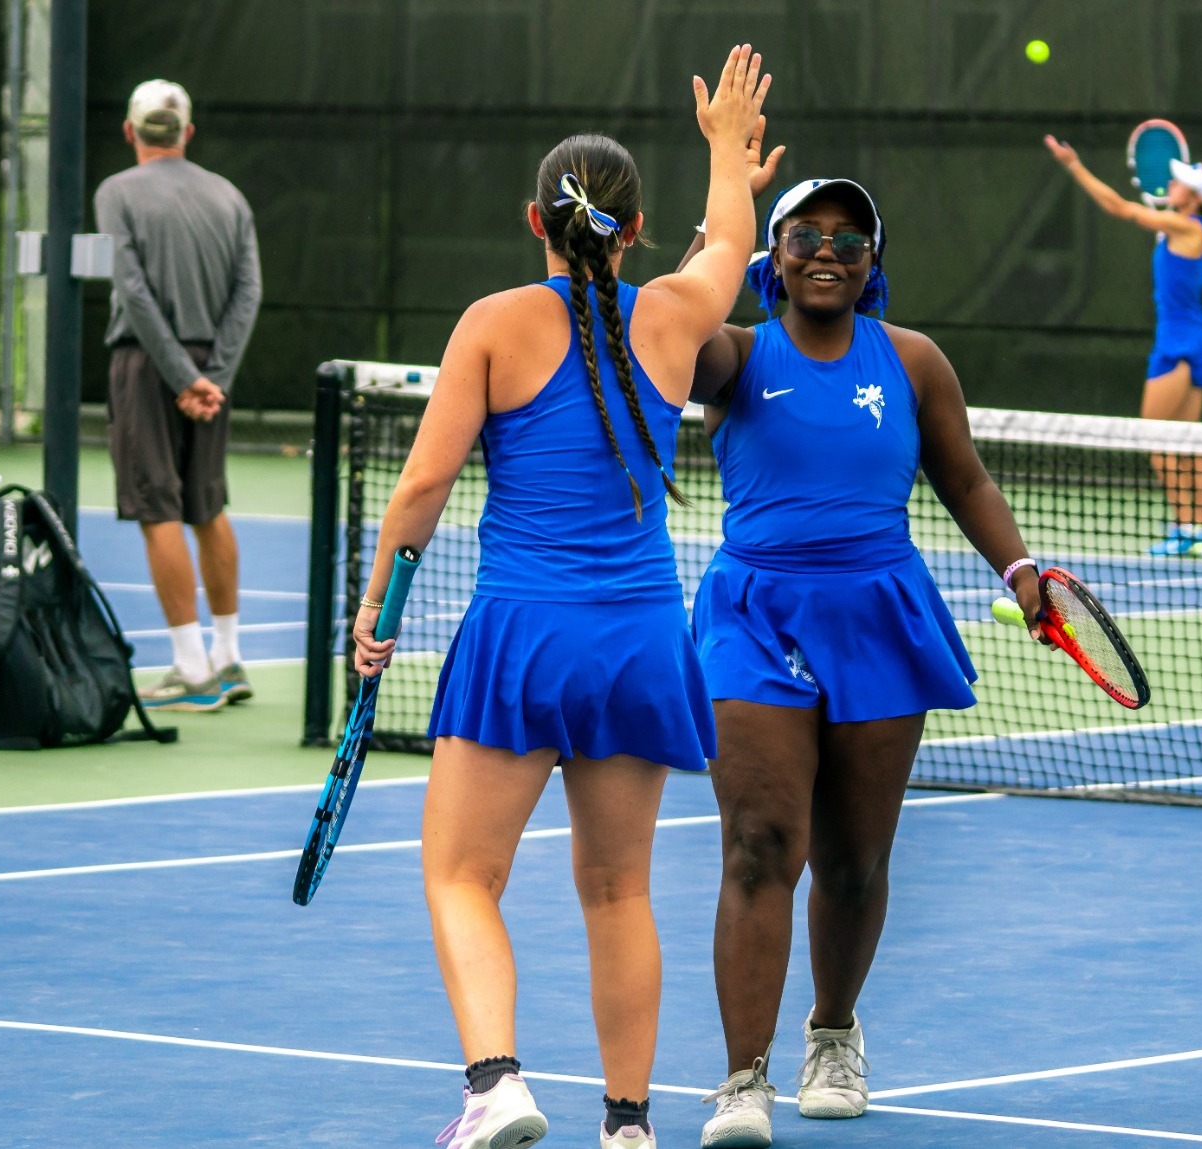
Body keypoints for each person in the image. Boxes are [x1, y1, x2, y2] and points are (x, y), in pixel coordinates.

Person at [350, 46, 772, 1149]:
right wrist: (727, 148)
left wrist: (379, 611)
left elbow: (424, 484)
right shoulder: (679, 316)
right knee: (616, 892)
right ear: (633, 233)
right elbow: (731, 238)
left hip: (522, 639)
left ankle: (495, 1084)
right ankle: (627, 1127)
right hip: (637, 644)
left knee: (457, 873)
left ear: (533, 220)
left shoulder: (492, 323)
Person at [678, 173, 1049, 1147]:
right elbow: (670, 334)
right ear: (771, 255)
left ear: (872, 259)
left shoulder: (914, 363)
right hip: (752, 615)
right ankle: (742, 1079)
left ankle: (832, 1034)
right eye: (805, 235)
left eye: (849, 239)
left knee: (853, 858)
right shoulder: (734, 355)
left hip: (879, 614)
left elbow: (962, 476)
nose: (827, 254)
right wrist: (721, 199)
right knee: (761, 842)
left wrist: (1018, 571)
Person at [94, 79, 262, 710]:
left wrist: (180, 377)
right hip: (208, 375)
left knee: (159, 508)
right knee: (208, 506)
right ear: (187, 132)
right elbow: (248, 294)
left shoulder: (114, 191)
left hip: (146, 367)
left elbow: (132, 292)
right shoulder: (230, 196)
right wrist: (212, 377)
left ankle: (192, 667)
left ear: (131, 132)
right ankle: (228, 656)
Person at [1046, 135, 1202, 556]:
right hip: (1200, 341)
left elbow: (1120, 208)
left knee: (1154, 442)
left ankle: (1185, 527)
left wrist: (1074, 166)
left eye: (1179, 184)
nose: (1170, 186)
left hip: (1176, 344)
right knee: (1187, 443)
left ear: (1192, 198)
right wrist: (1187, 287)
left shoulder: (1181, 224)